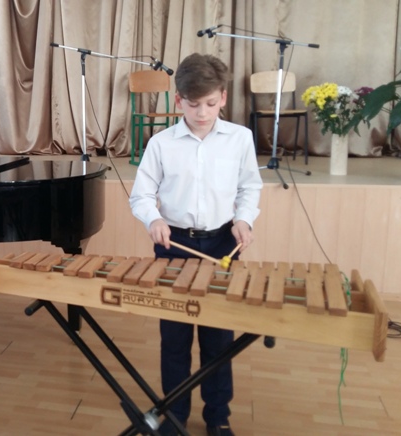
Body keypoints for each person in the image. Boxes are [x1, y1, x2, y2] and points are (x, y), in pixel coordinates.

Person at [129, 54, 263, 436]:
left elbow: (249, 187)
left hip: (221, 245)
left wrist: (244, 219)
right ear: (178, 100)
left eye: (210, 103)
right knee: (174, 339)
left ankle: (217, 417)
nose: (202, 113)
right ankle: (174, 416)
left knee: (218, 339)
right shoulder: (161, 144)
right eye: (193, 104)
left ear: (223, 98)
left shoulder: (240, 138)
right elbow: (141, 195)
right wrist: (153, 219)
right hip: (174, 246)